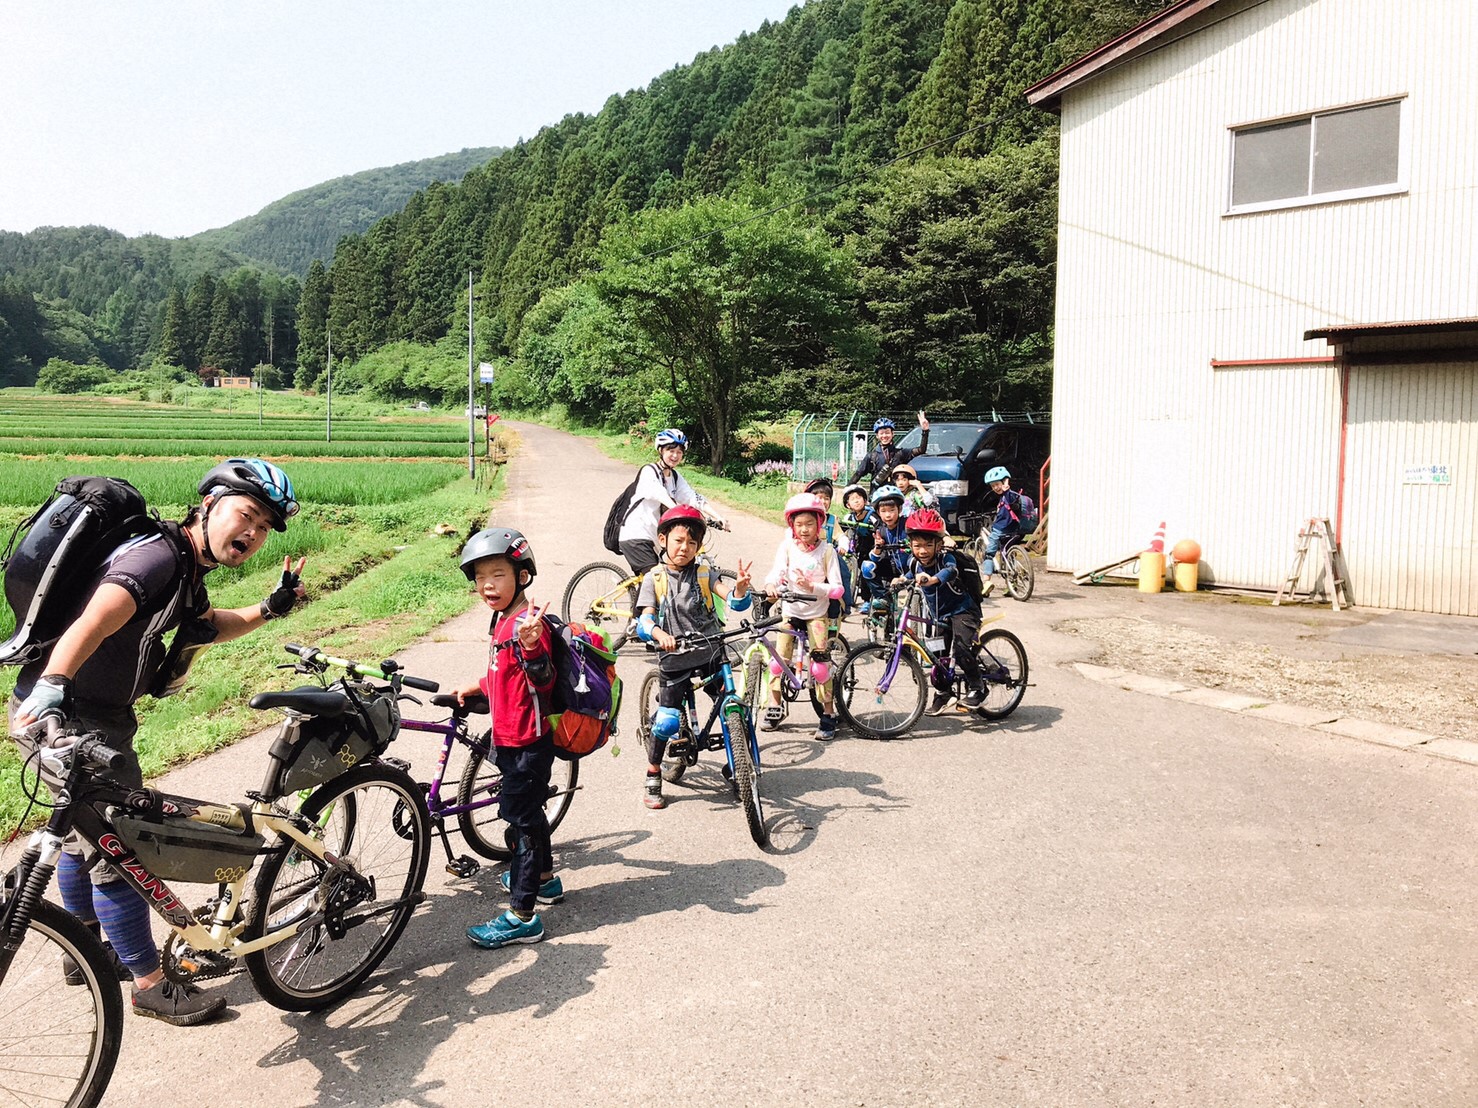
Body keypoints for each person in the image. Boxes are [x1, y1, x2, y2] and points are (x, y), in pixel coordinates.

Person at [8, 457, 306, 1027]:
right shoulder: (158, 559)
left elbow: (210, 624)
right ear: (209, 504)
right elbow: (96, 618)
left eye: (265, 526)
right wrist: (53, 684)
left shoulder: (184, 568)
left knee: (80, 839)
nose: (252, 532)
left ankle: (86, 949)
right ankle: (150, 985)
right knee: (119, 854)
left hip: (86, 713)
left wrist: (270, 608)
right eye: (246, 514)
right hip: (74, 718)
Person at [451, 528, 562, 950]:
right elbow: (504, 673)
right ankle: (545, 880)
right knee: (529, 812)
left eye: (497, 575)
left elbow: (543, 678)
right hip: (510, 738)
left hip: (527, 744)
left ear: (522, 576)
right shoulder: (503, 620)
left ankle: (522, 916)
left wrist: (532, 647)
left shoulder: (529, 625)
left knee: (522, 824)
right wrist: (479, 686)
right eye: (480, 577)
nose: (487, 585)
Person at [634, 505, 753, 810]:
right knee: (667, 721)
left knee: (733, 709)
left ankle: (737, 764)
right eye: (678, 540)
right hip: (674, 657)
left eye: (691, 543)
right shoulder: (654, 578)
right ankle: (653, 772)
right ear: (663, 540)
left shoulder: (704, 573)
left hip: (711, 652)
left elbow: (733, 601)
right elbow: (644, 620)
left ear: (699, 546)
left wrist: (740, 591)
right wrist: (658, 634)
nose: (684, 548)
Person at [762, 493, 844, 739]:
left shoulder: (827, 551)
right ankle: (774, 706)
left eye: (809, 524)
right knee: (777, 662)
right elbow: (777, 572)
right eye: (799, 524)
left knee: (819, 667)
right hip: (790, 611)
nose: (804, 529)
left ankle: (828, 713)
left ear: (819, 524)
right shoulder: (787, 547)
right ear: (792, 526)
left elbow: (837, 589)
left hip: (816, 614)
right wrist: (771, 585)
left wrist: (812, 587)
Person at [896, 509, 987, 715]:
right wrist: (900, 580)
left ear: (939, 544)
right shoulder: (914, 562)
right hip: (939, 615)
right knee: (937, 656)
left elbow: (951, 571)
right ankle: (944, 693)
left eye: (929, 545)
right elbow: (911, 573)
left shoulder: (946, 558)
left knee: (961, 650)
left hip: (963, 611)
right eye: (917, 545)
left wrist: (934, 579)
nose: (923, 551)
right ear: (910, 545)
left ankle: (978, 688)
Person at [617, 428, 724, 579]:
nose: (675, 456)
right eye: (671, 451)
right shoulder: (649, 471)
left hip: (657, 539)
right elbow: (660, 494)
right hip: (636, 536)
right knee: (657, 580)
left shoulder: (674, 476)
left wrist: (717, 516)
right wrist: (682, 513)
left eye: (679, 452)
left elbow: (691, 497)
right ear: (661, 450)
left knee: (676, 573)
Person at [803, 477, 850, 621]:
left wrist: (843, 545)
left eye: (826, 498)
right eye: (819, 498)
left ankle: (844, 604)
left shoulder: (831, 520)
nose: (823, 501)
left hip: (826, 557)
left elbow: (841, 536)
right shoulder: (803, 517)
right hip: (806, 555)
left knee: (842, 571)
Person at [859, 484, 909, 612]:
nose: (888, 515)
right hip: (891, 569)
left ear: (900, 509)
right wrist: (878, 547)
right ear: (878, 512)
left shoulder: (908, 525)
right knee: (867, 566)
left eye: (892, 510)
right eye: (883, 511)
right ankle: (883, 598)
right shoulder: (880, 530)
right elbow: (874, 558)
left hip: (910, 568)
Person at [850, 411, 931, 489]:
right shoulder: (871, 456)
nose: (884, 436)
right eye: (881, 433)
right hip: (877, 494)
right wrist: (847, 489)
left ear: (893, 434)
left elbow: (921, 450)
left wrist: (925, 431)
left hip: (895, 494)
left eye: (887, 432)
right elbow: (858, 474)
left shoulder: (900, 453)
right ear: (877, 436)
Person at [981, 465, 1027, 586]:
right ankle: (1011, 585)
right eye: (993, 486)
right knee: (1007, 554)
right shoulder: (1007, 497)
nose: (995, 488)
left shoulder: (1008, 495)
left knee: (989, 554)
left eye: (997, 484)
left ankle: (986, 581)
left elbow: (1010, 500)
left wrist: (1006, 488)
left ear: (1004, 481)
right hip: (1014, 530)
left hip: (1000, 530)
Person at [837, 483, 876, 612]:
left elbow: (880, 527)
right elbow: (840, 531)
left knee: (866, 572)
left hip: (872, 547)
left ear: (865, 500)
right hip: (858, 545)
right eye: (853, 499)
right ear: (848, 505)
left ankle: (867, 600)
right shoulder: (849, 517)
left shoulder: (872, 516)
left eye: (859, 497)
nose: (856, 501)